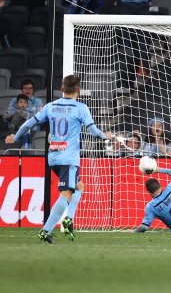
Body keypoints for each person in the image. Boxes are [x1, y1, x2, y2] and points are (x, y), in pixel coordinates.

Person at [5, 75, 112, 243]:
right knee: (66, 193)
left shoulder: (50, 106)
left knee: (78, 186)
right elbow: (94, 132)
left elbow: (28, 124)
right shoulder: (81, 108)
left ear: (62, 89)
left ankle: (69, 218)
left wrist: (15, 137)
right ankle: (46, 230)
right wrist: (106, 136)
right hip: (69, 158)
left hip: (53, 156)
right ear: (78, 90)